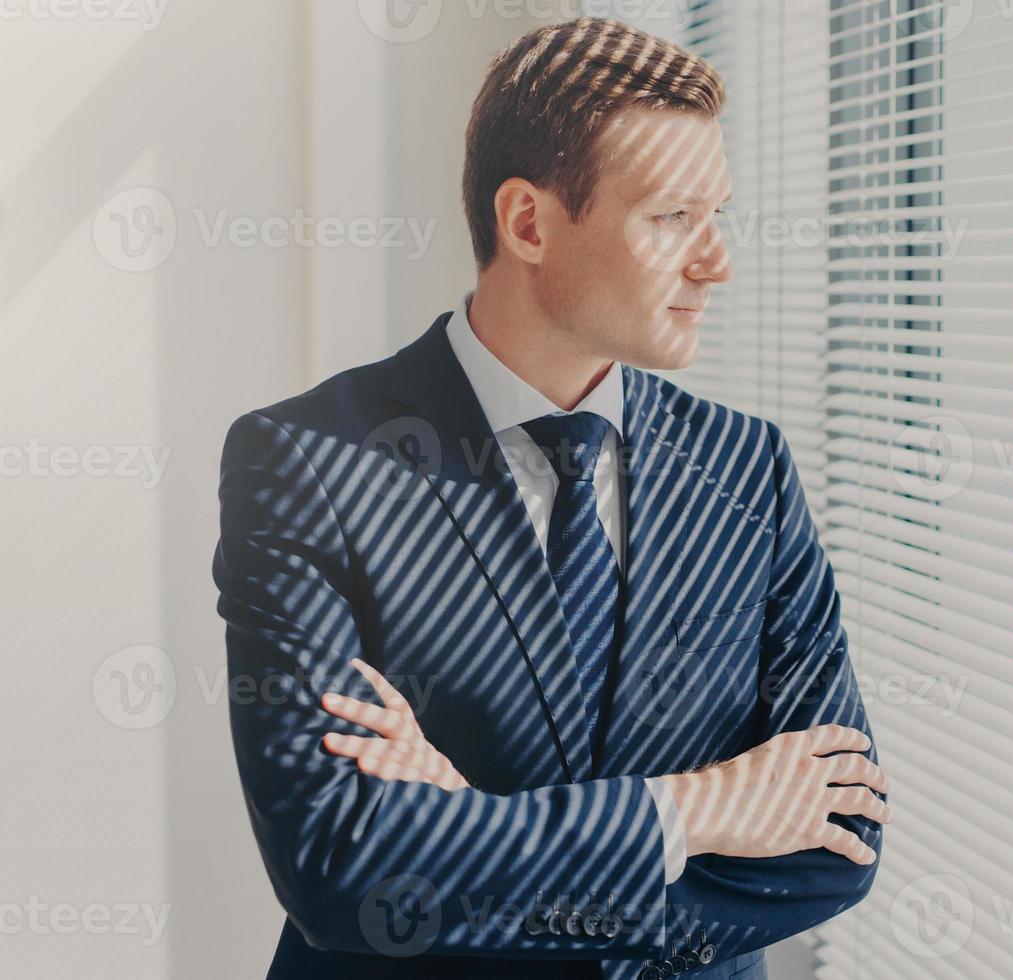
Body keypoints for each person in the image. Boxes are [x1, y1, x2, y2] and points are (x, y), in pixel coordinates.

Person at [213, 17, 888, 980]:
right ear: (529, 222)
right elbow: (342, 867)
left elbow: (837, 840)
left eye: (719, 214)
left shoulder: (748, 471)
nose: (717, 262)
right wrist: (692, 811)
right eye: (671, 218)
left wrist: (469, 824)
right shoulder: (308, 462)